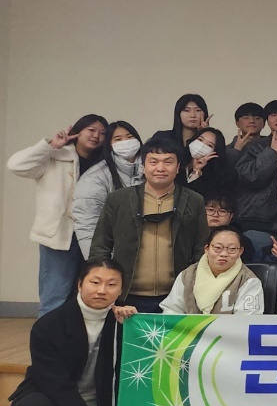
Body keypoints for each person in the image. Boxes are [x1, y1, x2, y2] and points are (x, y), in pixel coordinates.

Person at [0, 257, 134, 406]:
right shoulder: (49, 325)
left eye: (111, 284)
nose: (102, 290)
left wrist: (135, 326)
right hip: (55, 403)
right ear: (79, 284)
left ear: (120, 291)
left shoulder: (126, 321)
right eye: (95, 282)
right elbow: (56, 387)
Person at [8, 114, 109, 314]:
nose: (96, 136)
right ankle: (47, 335)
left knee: (87, 296)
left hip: (92, 235)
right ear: (77, 131)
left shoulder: (105, 163)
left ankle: (77, 335)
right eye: (91, 130)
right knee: (54, 296)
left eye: (102, 133)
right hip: (60, 236)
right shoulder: (55, 156)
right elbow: (16, 165)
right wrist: (51, 145)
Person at [91, 137, 207, 311]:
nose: (160, 168)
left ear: (178, 167)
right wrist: (103, 285)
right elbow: (100, 246)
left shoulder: (194, 200)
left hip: (176, 296)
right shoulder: (119, 199)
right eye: (153, 162)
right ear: (143, 166)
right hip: (126, 295)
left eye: (168, 162)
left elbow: (201, 249)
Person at [233, 99, 277, 253]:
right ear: (267, 121)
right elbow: (251, 177)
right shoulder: (254, 147)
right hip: (260, 222)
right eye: (273, 115)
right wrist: (271, 152)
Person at [73, 121, 143, 258]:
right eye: (118, 139)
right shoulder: (95, 177)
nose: (126, 142)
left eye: (130, 137)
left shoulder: (153, 170)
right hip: (114, 256)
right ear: (110, 145)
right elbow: (87, 224)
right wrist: (99, 261)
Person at [160, 224, 265, 315]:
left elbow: (247, 320)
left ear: (240, 252)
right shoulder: (187, 275)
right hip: (188, 331)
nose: (224, 254)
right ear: (207, 249)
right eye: (218, 248)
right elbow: (171, 310)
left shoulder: (248, 280)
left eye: (232, 249)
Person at [182, 127, 237, 206]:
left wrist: (196, 171)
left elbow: (192, 199)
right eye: (200, 140)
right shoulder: (177, 162)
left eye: (209, 145)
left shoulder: (217, 177)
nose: (202, 146)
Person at [200, 192, 258, 262]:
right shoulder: (192, 238)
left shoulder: (243, 241)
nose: (215, 215)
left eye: (222, 211)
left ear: (231, 216)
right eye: (210, 210)